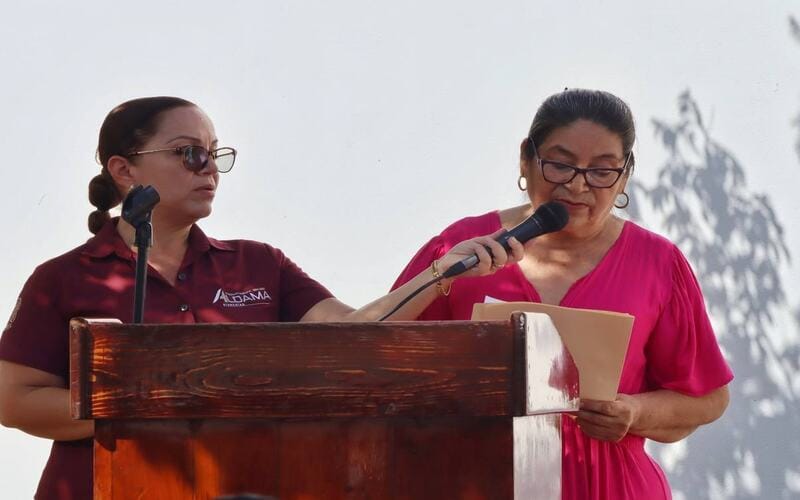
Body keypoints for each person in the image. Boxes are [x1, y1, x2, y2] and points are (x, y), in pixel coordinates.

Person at [0, 96, 523, 500]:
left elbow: (355, 336)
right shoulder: (64, 277)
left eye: (214, 154)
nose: (209, 168)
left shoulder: (259, 264)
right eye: (189, 153)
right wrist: (134, 408)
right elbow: (13, 399)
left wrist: (439, 273)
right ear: (124, 169)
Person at [392, 88, 733, 499]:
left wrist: (634, 412)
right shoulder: (462, 248)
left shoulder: (658, 264)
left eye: (602, 171)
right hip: (477, 482)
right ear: (526, 159)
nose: (577, 184)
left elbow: (707, 398)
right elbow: (379, 359)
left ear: (625, 175)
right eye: (560, 165)